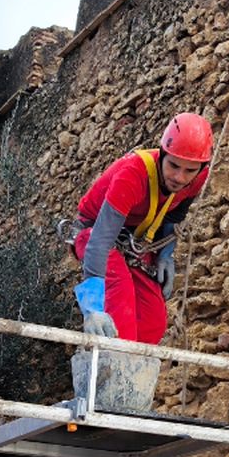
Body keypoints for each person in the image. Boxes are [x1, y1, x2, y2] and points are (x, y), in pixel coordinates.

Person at [72, 113, 213, 344]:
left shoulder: (197, 177)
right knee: (119, 294)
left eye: (189, 170)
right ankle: (113, 367)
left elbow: (175, 216)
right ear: (162, 156)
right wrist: (92, 308)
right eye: (173, 165)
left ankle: (137, 376)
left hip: (133, 243)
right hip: (94, 233)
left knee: (152, 321)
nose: (179, 177)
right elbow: (100, 240)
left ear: (200, 168)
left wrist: (165, 256)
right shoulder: (133, 175)